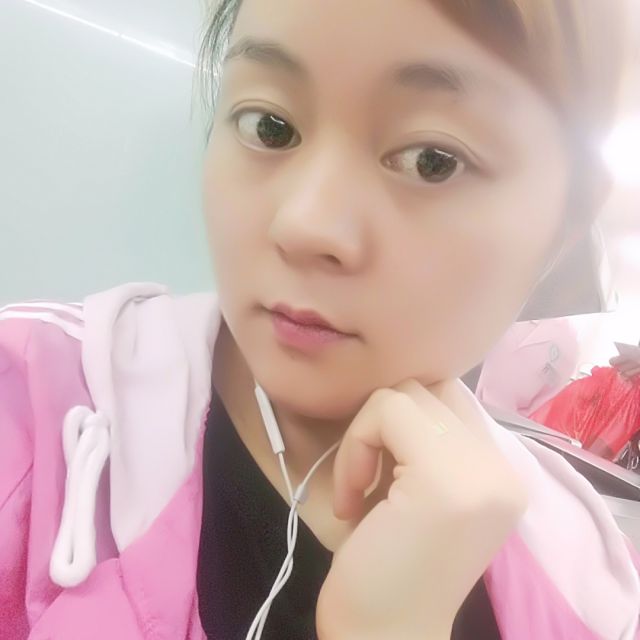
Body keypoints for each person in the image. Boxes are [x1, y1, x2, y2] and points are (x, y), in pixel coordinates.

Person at [1, 1, 639, 639]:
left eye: (431, 160)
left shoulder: (590, 581)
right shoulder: (30, 398)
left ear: (562, 229)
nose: (303, 224)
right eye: (270, 126)